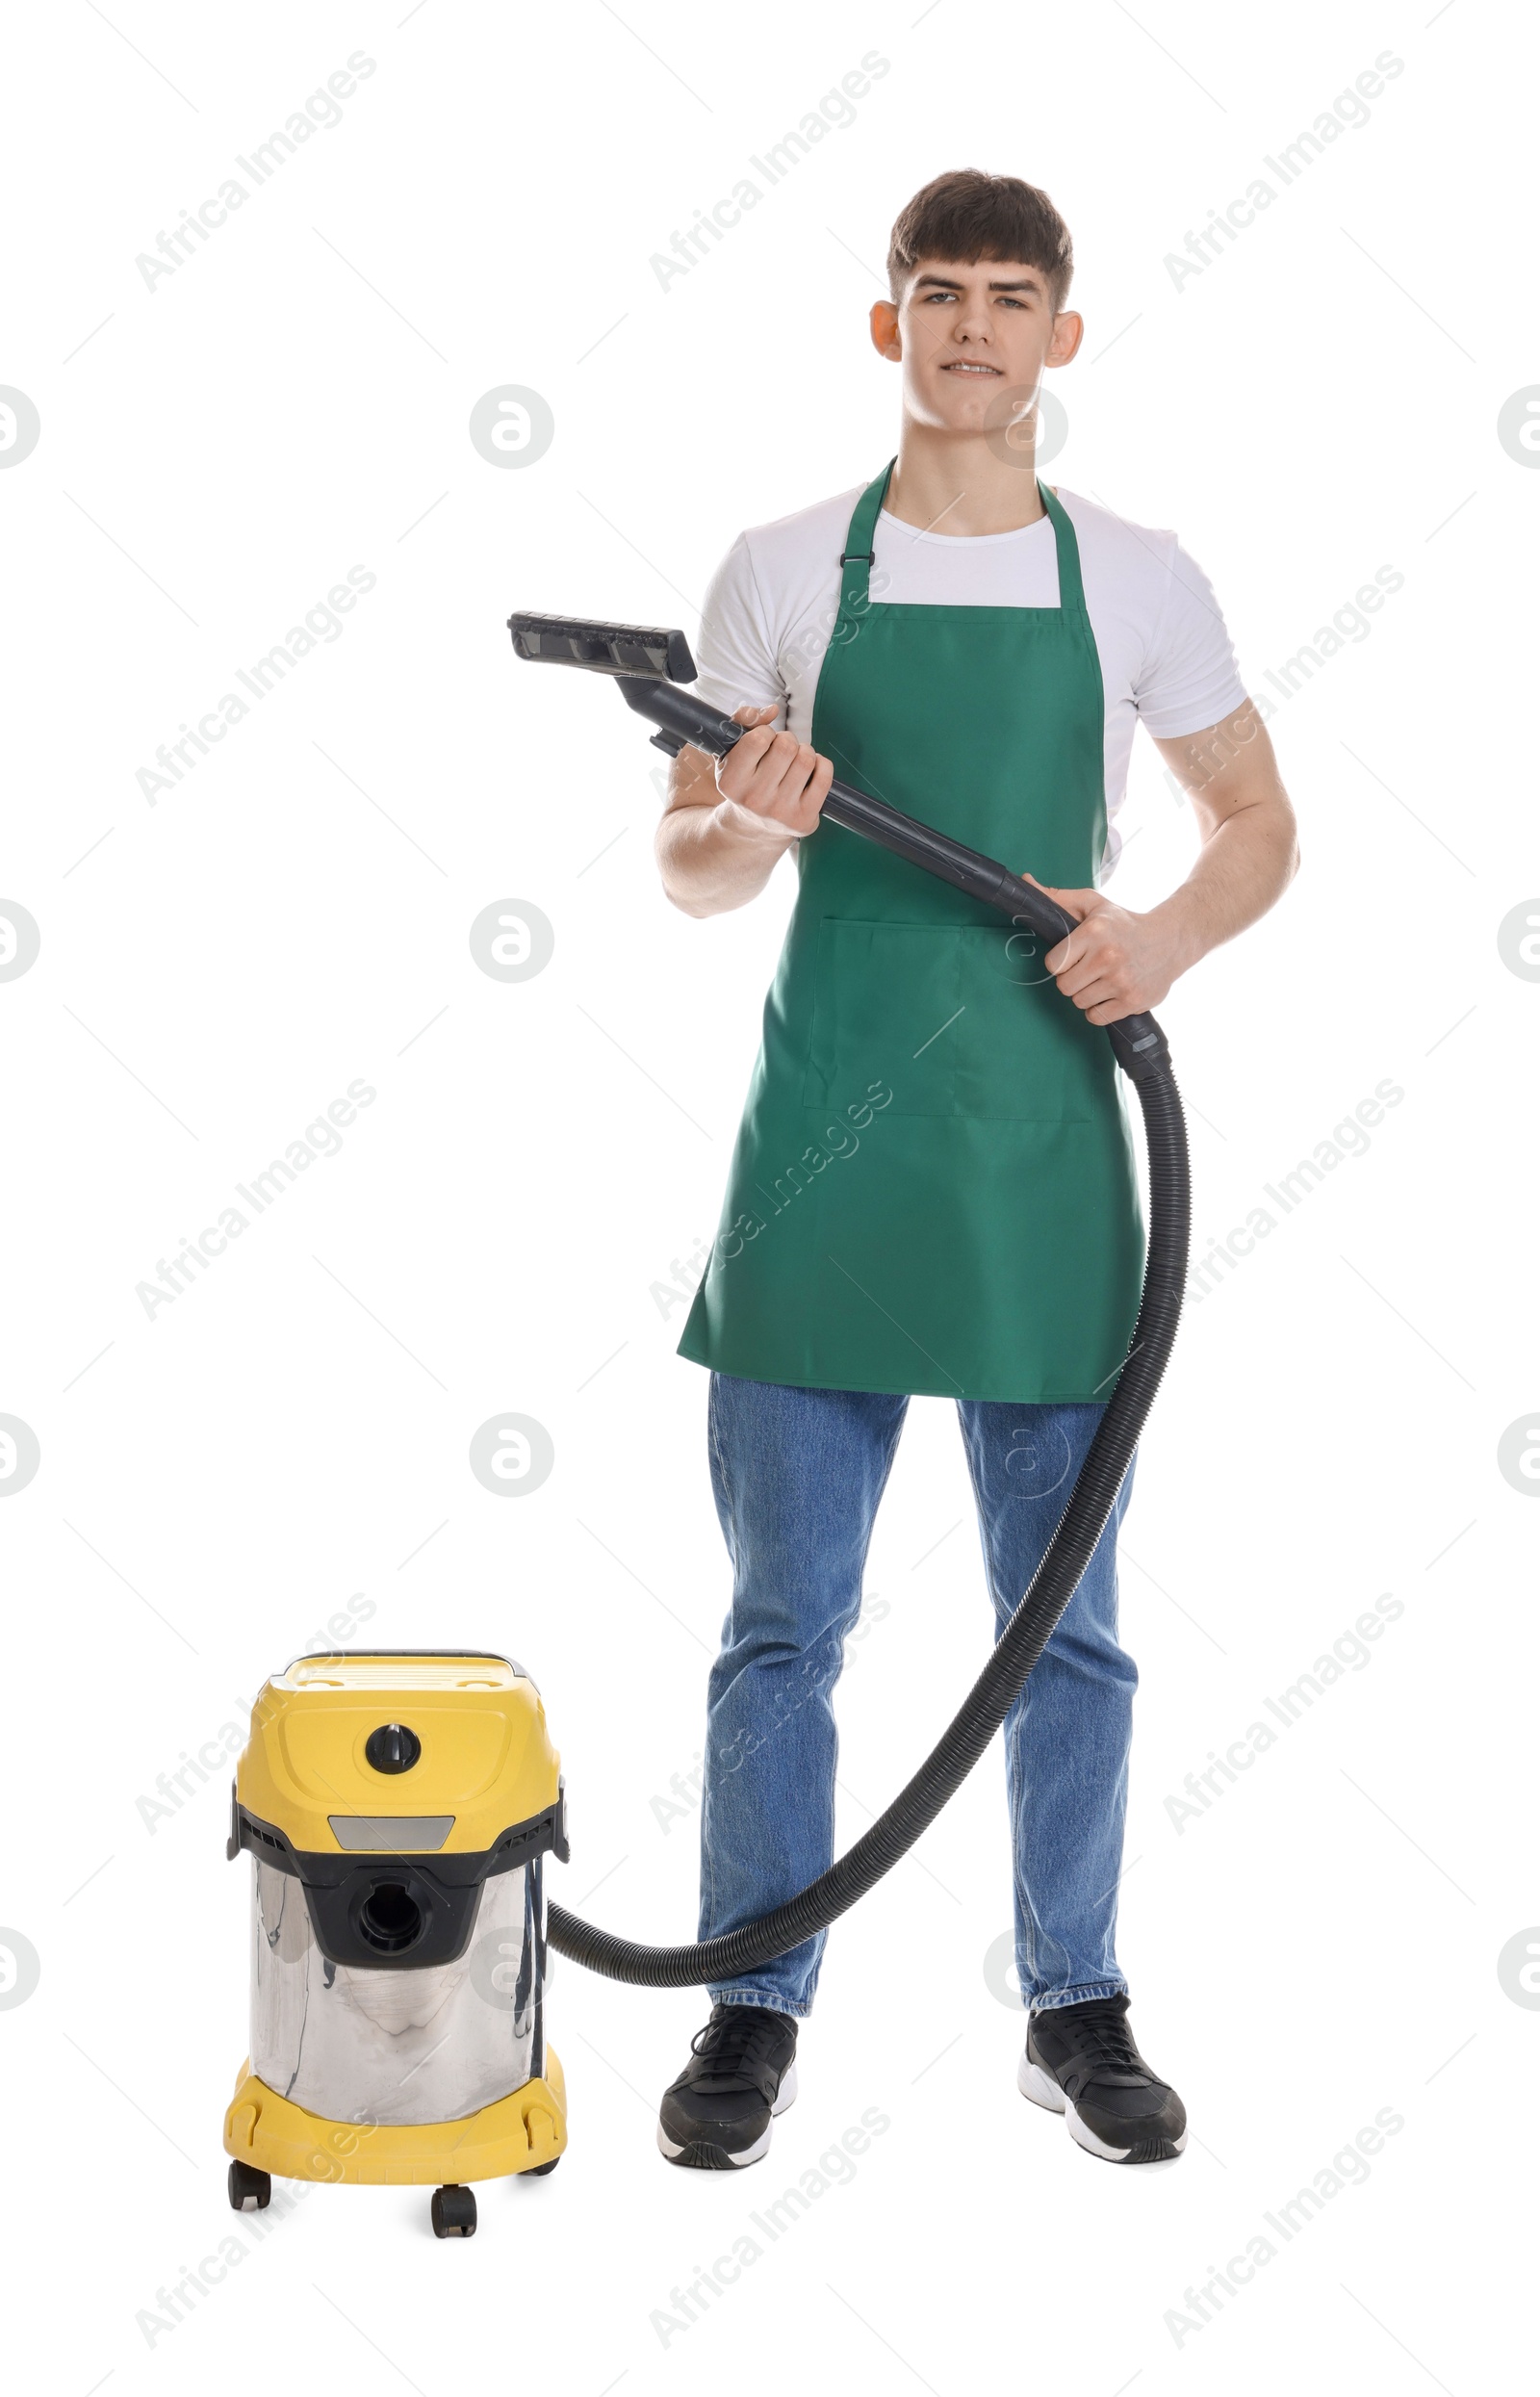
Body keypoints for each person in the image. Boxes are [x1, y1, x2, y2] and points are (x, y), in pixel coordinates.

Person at [652, 168, 1298, 2171]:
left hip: (1039, 1173)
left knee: (1067, 1629)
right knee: (782, 1628)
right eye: (939, 294)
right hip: (820, 1170)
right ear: (888, 327)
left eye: (1012, 299)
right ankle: (749, 2005)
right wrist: (751, 822)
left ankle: (1072, 2003)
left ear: (1059, 339)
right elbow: (686, 871)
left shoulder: (1134, 576)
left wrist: (1162, 936)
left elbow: (1256, 818)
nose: (973, 330)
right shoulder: (772, 569)